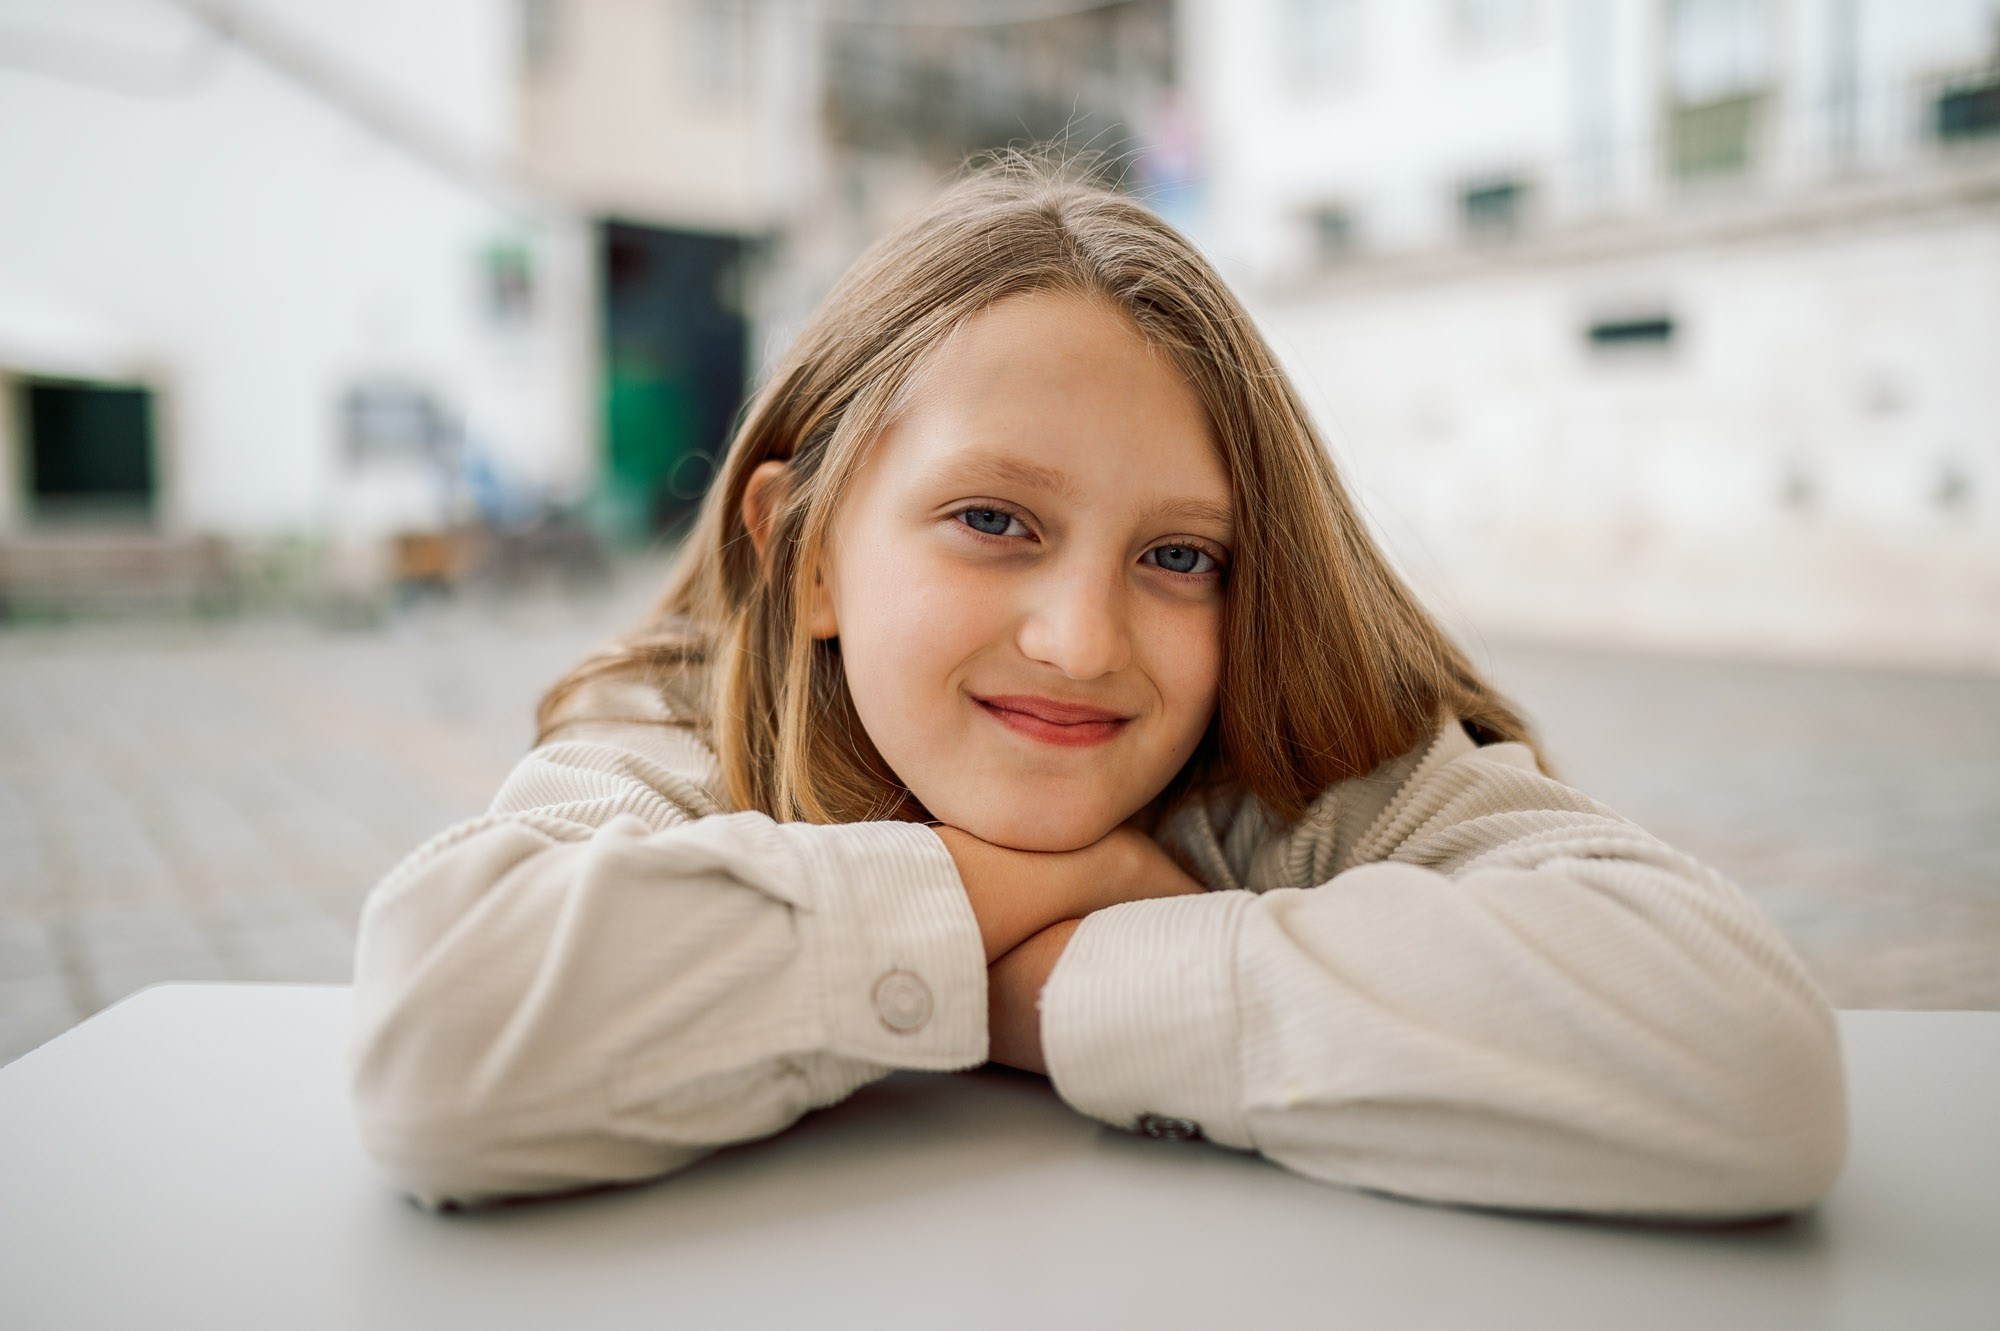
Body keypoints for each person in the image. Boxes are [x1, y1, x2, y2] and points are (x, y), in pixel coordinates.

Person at [347, 156, 1847, 1218]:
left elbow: (1750, 1067)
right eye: (995, 521)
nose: (1083, 641)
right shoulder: (680, 727)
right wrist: (988, 891)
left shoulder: (1289, 759)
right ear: (798, 551)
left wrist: (1058, 987)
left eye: (1181, 556)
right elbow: (441, 1054)